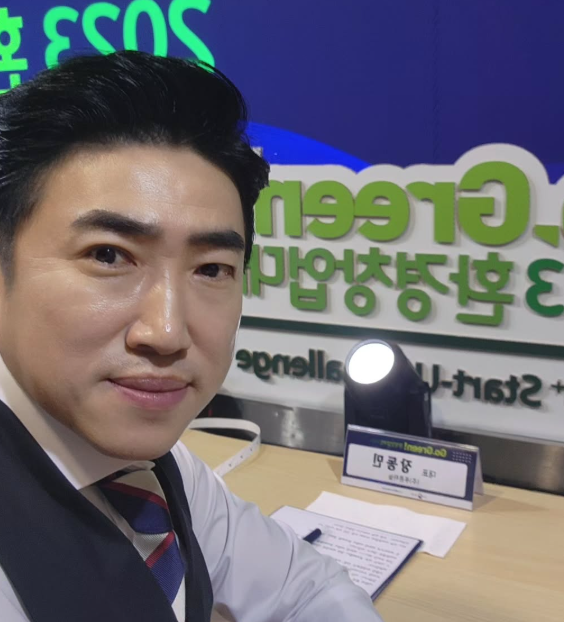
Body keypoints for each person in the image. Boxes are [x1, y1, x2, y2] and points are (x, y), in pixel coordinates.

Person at [0, 51, 383, 622]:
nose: (167, 332)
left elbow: (307, 589)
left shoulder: (153, 468)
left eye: (211, 268)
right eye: (108, 255)